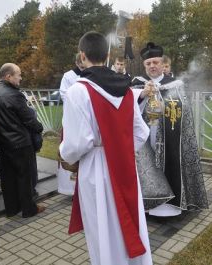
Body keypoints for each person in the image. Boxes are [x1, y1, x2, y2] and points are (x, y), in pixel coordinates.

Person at [59, 31, 152, 265]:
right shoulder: (127, 88)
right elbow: (142, 132)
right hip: (124, 165)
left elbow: (76, 144)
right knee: (130, 220)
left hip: (96, 167)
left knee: (102, 227)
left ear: (82, 56)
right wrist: (121, 147)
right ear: (108, 55)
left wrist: (64, 153)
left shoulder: (77, 91)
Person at [132, 42, 208, 216]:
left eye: (155, 62)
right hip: (144, 138)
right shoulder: (137, 84)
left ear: (162, 64)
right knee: (146, 167)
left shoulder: (174, 85)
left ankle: (168, 209)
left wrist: (163, 105)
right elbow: (127, 107)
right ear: (144, 65)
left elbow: (184, 111)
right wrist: (143, 94)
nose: (152, 66)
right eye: (148, 63)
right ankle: (147, 206)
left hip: (169, 136)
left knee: (169, 165)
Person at [0, 63, 45, 218]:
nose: (21, 77)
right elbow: (29, 119)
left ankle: (12, 210)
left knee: (8, 178)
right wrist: (39, 128)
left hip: (2, 143)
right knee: (25, 177)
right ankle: (28, 209)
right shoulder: (14, 95)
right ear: (8, 76)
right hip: (20, 144)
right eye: (18, 74)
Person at [57, 53, 85, 196]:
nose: (82, 65)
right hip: (73, 118)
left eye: (83, 62)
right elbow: (64, 94)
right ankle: (70, 189)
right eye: (79, 62)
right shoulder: (69, 76)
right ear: (76, 62)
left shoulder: (91, 74)